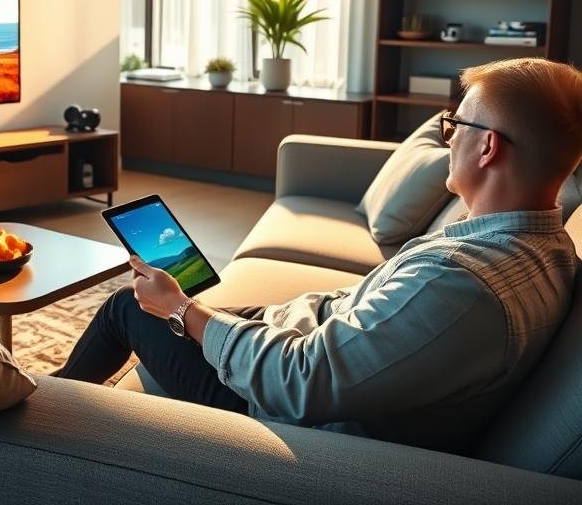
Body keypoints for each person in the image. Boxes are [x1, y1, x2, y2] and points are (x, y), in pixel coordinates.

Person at [55, 57, 582, 453]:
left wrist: (180, 309)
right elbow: (370, 319)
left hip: (274, 406)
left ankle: (35, 416)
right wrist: (261, 317)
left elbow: (301, 384)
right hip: (296, 346)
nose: (448, 140)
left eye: (455, 126)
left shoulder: (462, 286)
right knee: (185, 307)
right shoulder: (549, 248)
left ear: (488, 147)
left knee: (126, 305)